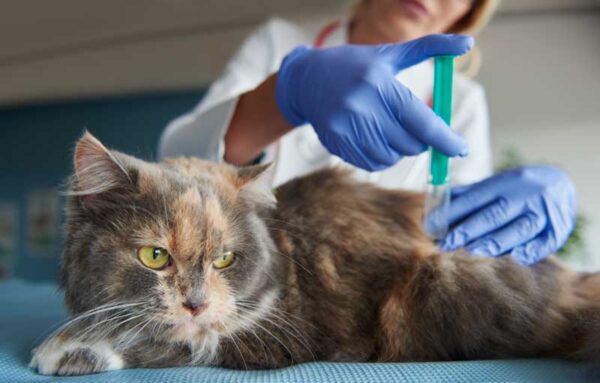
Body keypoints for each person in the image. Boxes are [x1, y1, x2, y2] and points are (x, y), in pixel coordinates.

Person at [160, 0, 576, 266]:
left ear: (468, 12)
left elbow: (465, 243)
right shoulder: (279, 42)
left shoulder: (463, 101)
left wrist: (519, 218)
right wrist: (288, 93)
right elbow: (176, 160)